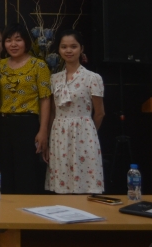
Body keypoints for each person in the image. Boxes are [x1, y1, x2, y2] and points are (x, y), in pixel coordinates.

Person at [0, 23, 52, 194]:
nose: (13, 44)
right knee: (5, 173)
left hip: (28, 125)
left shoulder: (39, 65)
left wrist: (43, 130)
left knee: (27, 173)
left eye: (18, 40)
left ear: (26, 42)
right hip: (4, 125)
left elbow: (45, 99)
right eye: (9, 40)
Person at [46, 30, 105, 194]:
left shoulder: (92, 78)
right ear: (59, 49)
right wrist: (49, 137)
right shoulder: (54, 79)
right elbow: (52, 112)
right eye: (64, 47)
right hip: (59, 134)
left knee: (85, 184)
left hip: (84, 134)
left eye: (73, 46)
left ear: (81, 48)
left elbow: (100, 113)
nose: (68, 50)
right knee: (62, 187)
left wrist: (89, 132)